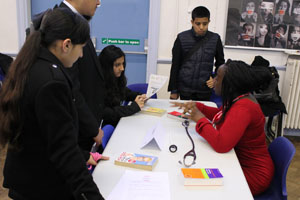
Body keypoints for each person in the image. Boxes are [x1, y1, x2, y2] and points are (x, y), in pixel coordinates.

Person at [0, 8, 104, 200]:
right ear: (66, 45)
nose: (81, 55)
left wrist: (82, 155)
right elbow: (63, 150)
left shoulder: (32, 64)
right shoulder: (51, 81)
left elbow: (43, 132)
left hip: (26, 174)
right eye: (81, 48)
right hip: (41, 183)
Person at [173, 60, 275, 196]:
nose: (214, 81)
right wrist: (198, 107)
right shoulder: (238, 99)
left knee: (199, 189)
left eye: (217, 78)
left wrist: (200, 119)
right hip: (239, 163)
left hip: (252, 175)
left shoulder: (243, 108)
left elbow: (221, 144)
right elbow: (220, 115)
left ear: (229, 84)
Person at [168, 6, 225, 101]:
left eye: (205, 24)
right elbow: (175, 65)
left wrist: (215, 79)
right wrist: (174, 90)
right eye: (198, 24)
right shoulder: (182, 38)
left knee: (202, 114)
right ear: (192, 22)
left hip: (204, 89)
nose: (201, 27)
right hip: (185, 89)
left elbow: (221, 64)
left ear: (209, 22)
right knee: (185, 115)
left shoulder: (215, 39)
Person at [98, 45, 146, 127]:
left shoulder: (114, 78)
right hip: (107, 126)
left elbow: (124, 91)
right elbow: (109, 113)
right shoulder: (98, 85)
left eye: (123, 64)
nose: (122, 68)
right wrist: (133, 107)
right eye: (117, 65)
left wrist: (138, 96)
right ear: (107, 67)